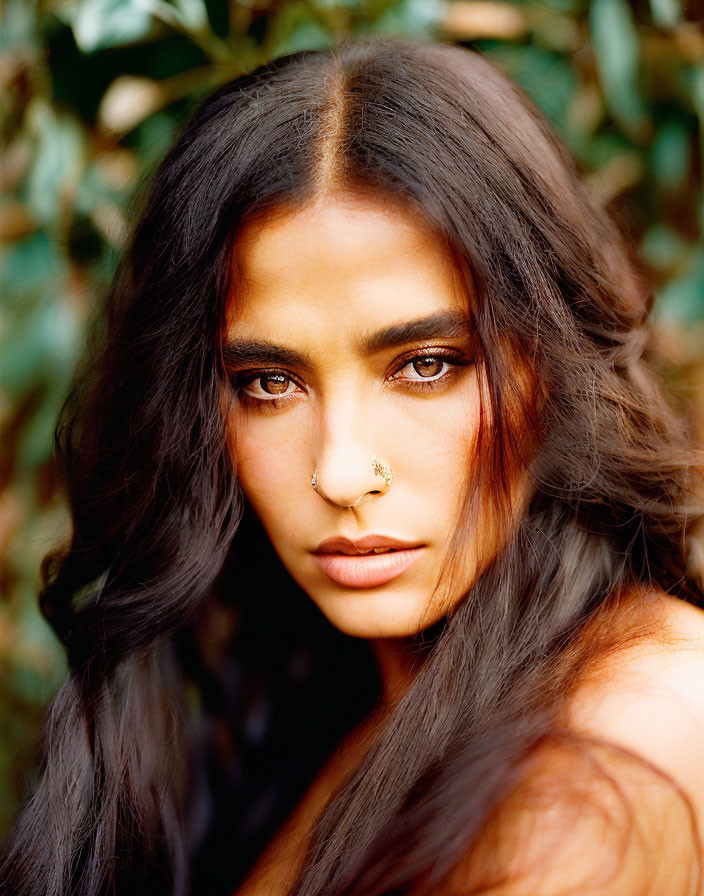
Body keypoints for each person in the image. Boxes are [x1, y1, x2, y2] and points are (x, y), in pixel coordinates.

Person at [2, 32, 704, 896]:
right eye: (267, 382)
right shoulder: (306, 705)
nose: (340, 472)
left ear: (552, 365)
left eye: (427, 365)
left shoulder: (632, 742)